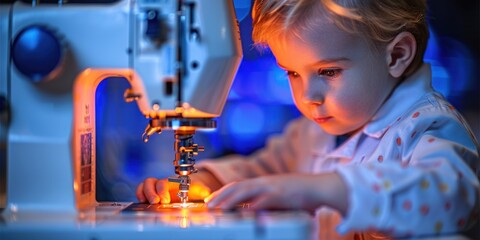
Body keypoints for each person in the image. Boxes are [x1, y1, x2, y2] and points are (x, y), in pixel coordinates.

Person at [136, 0, 480, 238]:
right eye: (292, 73)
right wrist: (208, 182)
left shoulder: (427, 126)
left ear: (397, 55)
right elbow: (262, 172)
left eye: (328, 71)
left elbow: (452, 197)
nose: (307, 96)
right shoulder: (314, 133)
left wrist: (322, 190)